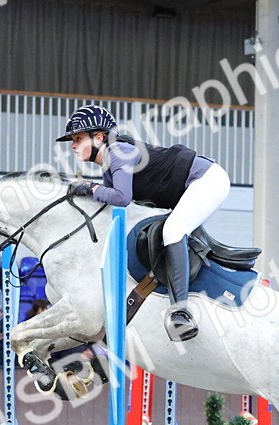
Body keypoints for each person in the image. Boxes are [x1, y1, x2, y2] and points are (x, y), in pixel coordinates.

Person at [59, 104, 231, 341]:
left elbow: (122, 198)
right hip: (190, 185)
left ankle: (181, 312)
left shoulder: (117, 152)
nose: (72, 145)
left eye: (78, 138)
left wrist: (90, 188)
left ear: (98, 137)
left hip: (207, 180)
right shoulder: (109, 165)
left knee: (173, 231)